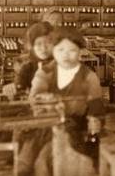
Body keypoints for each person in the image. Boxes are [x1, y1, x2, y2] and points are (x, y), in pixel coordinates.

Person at [20, 26, 105, 176]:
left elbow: (96, 108)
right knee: (28, 160)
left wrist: (95, 120)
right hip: (43, 126)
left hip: (74, 128)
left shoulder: (89, 77)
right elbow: (35, 96)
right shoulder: (45, 72)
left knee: (52, 161)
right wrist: (44, 99)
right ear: (53, 51)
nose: (66, 55)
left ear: (80, 52)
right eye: (60, 50)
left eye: (72, 50)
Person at [13, 22, 54, 97]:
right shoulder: (27, 67)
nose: (43, 48)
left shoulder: (60, 64)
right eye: (38, 44)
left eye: (48, 43)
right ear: (32, 46)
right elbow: (20, 91)